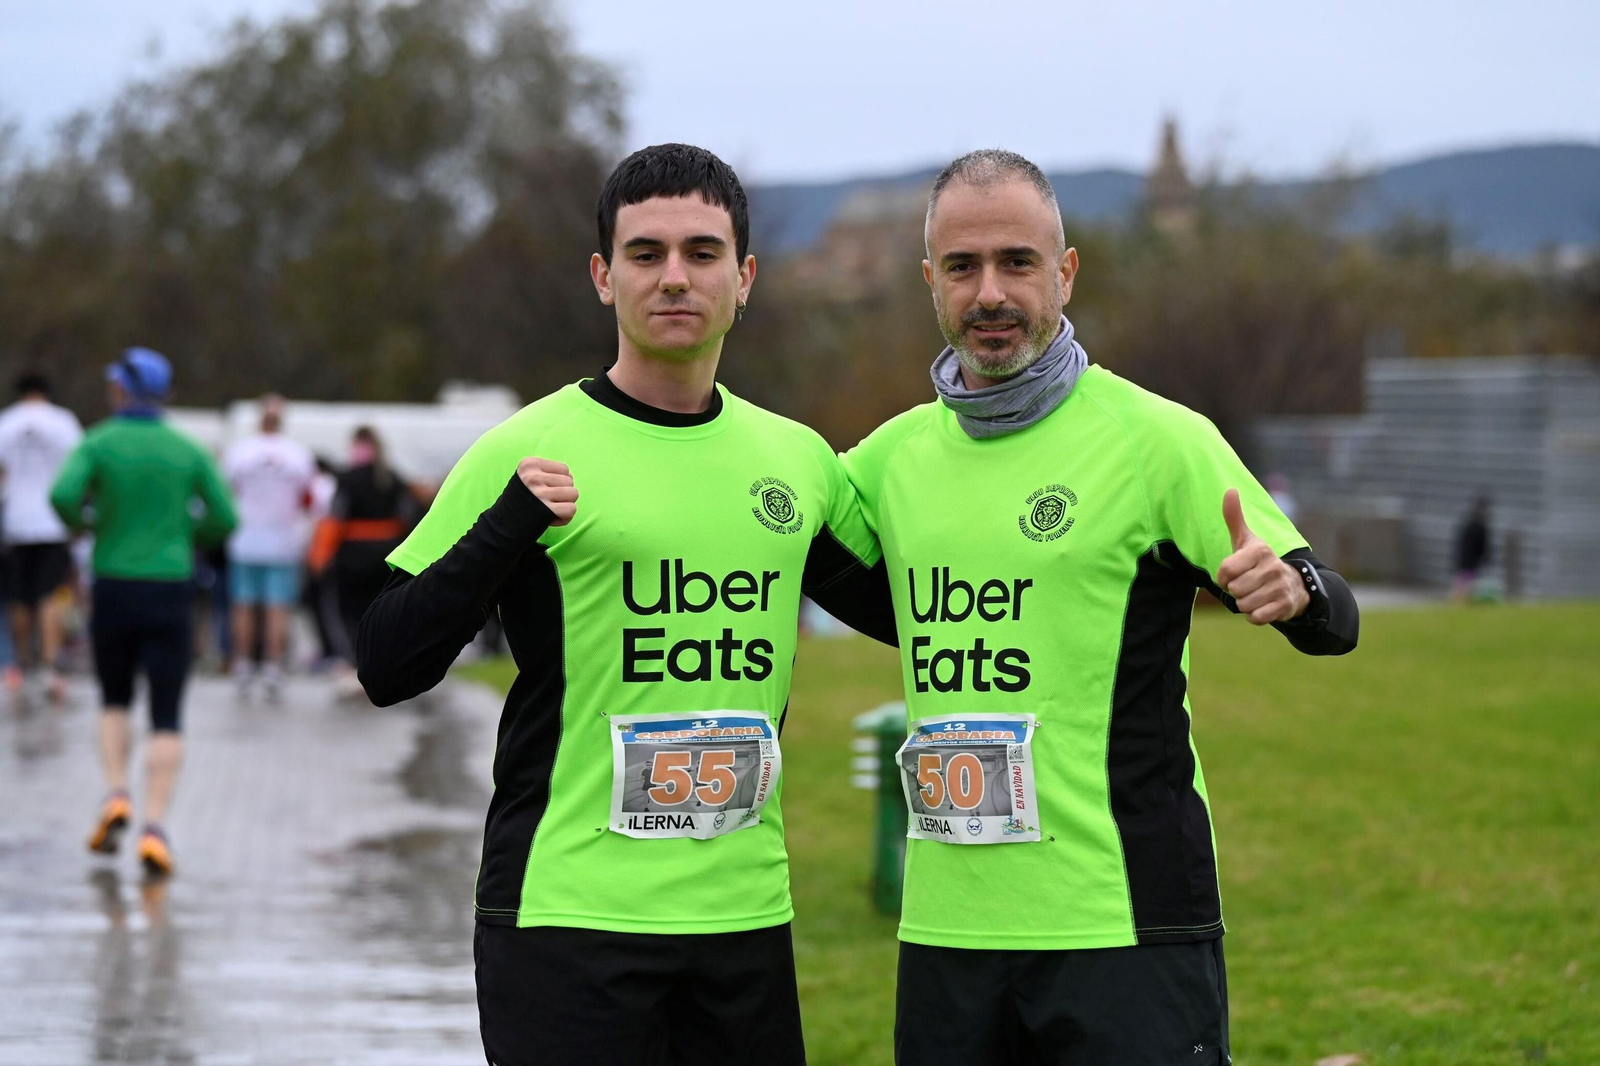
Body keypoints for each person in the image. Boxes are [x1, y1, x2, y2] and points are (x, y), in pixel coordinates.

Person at [356, 143, 894, 1066]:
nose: (674, 277)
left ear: (746, 276)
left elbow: (924, 609)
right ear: (604, 278)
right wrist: (506, 527)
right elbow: (386, 662)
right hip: (568, 915)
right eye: (645, 254)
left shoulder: (797, 461)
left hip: (742, 917)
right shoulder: (527, 446)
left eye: (701, 252)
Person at [841, 150, 1360, 1066]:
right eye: (962, 268)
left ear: (1065, 272)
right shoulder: (887, 462)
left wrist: (1297, 590)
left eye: (1018, 263)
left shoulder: (1158, 439)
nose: (990, 292)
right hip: (947, 936)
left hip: (1124, 922)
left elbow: (1336, 614)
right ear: (930, 281)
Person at [51, 347, 237, 877]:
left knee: (113, 697)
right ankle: (154, 827)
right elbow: (225, 516)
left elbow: (63, 495)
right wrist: (186, 536)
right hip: (171, 585)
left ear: (120, 390)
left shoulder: (99, 442)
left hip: (112, 582)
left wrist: (93, 524)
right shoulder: (187, 449)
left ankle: (116, 794)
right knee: (168, 712)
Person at [309, 426, 418, 699]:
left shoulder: (347, 478)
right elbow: (409, 518)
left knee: (349, 614)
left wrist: (320, 555)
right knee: (382, 612)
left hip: (352, 556)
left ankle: (354, 666)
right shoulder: (394, 478)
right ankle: (382, 664)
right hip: (387, 555)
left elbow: (336, 516)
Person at [221, 394, 316, 701]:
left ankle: (244, 664)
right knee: (277, 607)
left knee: (244, 605)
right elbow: (310, 499)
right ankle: (273, 666)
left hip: (246, 539)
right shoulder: (297, 455)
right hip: (282, 540)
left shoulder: (239, 453)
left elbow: (227, 492)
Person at [0, 372, 84, 703]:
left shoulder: (6, 422)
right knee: (50, 595)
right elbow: (76, 471)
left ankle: (22, 663)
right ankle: (51, 666)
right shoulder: (63, 422)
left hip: (16, 523)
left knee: (19, 598)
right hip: (52, 521)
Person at [1452, 494, 1491, 603]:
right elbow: (1482, 547)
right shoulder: (1480, 527)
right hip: (1470, 563)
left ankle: (1458, 604)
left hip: (1463, 561)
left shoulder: (1468, 523)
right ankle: (1462, 604)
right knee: (1466, 587)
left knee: (1461, 585)